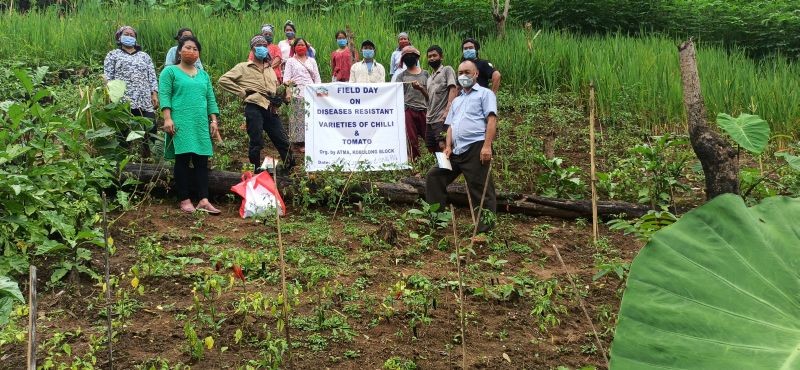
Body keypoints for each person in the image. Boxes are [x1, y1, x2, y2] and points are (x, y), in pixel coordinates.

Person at [425, 60, 498, 233]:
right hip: (455, 150)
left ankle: (485, 230)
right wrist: (447, 146)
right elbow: (451, 126)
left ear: (476, 74)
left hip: (476, 147)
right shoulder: (457, 100)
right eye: (460, 73)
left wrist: (487, 146)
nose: (463, 76)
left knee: (480, 188)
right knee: (434, 175)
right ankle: (436, 219)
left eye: (467, 72)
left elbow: (492, 120)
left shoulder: (485, 94)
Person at [159, 36, 221, 214]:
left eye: (195, 49)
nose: (191, 51)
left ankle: (203, 200)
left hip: (200, 123)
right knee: (183, 160)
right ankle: (184, 199)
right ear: (179, 51)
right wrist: (167, 118)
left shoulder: (203, 75)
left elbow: (210, 99)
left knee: (202, 161)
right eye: (187, 47)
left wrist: (214, 120)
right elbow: (165, 95)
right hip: (181, 121)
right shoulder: (170, 72)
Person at [218, 35, 294, 174]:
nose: (262, 48)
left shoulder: (270, 69)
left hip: (270, 108)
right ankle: (256, 169)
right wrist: (242, 92)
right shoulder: (243, 67)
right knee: (256, 141)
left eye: (264, 46)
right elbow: (223, 80)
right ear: (252, 49)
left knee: (282, 140)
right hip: (254, 107)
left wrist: (282, 93)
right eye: (259, 46)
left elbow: (274, 88)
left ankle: (290, 169)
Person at [103, 25, 159, 156]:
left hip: (144, 99)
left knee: (150, 128)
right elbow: (108, 77)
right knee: (123, 131)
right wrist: (111, 95)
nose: (129, 36)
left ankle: (149, 157)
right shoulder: (113, 55)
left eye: (132, 35)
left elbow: (152, 76)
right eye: (126, 34)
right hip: (123, 100)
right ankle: (123, 158)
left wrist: (154, 94)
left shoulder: (144, 56)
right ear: (119, 37)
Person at [283, 38, 321, 153]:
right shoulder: (290, 61)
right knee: (298, 117)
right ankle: (299, 143)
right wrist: (288, 90)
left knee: (310, 117)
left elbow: (317, 78)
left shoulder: (312, 61)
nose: (301, 47)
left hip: (310, 91)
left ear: (306, 47)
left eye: (303, 45)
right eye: (298, 45)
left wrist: (319, 91)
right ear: (294, 48)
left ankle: (310, 140)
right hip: (296, 91)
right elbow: (286, 78)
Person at [394, 46, 429, 161]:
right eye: (406, 56)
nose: (409, 58)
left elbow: (430, 95)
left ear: (417, 58)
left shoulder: (426, 74)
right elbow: (397, 95)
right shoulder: (401, 76)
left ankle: (434, 160)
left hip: (424, 109)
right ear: (403, 60)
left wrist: (421, 88)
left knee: (429, 137)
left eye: (411, 55)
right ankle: (416, 162)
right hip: (408, 110)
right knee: (411, 139)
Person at [424, 45, 458, 153]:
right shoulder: (429, 78)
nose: (432, 58)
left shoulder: (447, 70)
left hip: (441, 117)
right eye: (429, 56)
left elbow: (453, 89)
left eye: (434, 55)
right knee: (430, 146)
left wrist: (448, 110)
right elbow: (429, 98)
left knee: (442, 145)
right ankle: (438, 163)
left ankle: (447, 164)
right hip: (430, 119)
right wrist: (420, 89)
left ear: (441, 57)